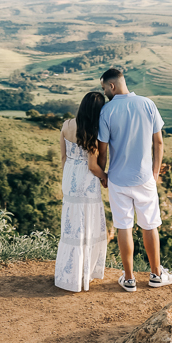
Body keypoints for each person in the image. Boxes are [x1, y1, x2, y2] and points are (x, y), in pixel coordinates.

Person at [97, 68, 172, 293]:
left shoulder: (106, 111)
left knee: (124, 226)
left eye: (104, 88)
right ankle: (156, 274)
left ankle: (129, 279)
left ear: (112, 86)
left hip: (118, 179)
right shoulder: (147, 104)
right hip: (144, 178)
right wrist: (156, 172)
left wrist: (103, 174)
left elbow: (102, 150)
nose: (105, 93)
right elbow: (159, 142)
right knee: (150, 225)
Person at [54, 90, 109, 292]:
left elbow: (63, 157)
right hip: (87, 181)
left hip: (69, 176)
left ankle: (67, 274)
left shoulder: (67, 125)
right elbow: (93, 166)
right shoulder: (92, 132)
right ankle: (84, 273)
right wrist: (105, 177)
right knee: (87, 225)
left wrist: (69, 176)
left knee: (71, 225)